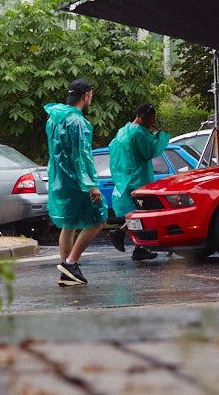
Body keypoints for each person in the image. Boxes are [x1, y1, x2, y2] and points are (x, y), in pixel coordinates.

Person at [44, 79, 106, 286]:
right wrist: (92, 185)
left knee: (68, 224)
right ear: (85, 96)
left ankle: (66, 273)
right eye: (91, 96)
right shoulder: (79, 122)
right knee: (99, 219)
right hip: (77, 181)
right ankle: (71, 263)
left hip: (59, 181)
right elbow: (83, 156)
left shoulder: (53, 119)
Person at [108, 103, 169, 262]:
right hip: (139, 177)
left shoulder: (124, 130)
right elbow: (148, 152)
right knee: (143, 212)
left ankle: (136, 245)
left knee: (139, 212)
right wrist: (157, 137)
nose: (152, 121)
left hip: (127, 176)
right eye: (151, 118)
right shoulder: (139, 133)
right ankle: (129, 240)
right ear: (145, 117)